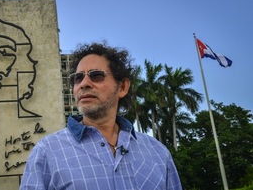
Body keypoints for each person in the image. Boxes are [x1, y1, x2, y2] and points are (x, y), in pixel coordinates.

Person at [20, 42, 182, 190]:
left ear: (123, 87)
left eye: (96, 75)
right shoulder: (47, 152)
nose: (84, 83)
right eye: (78, 78)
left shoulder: (157, 153)